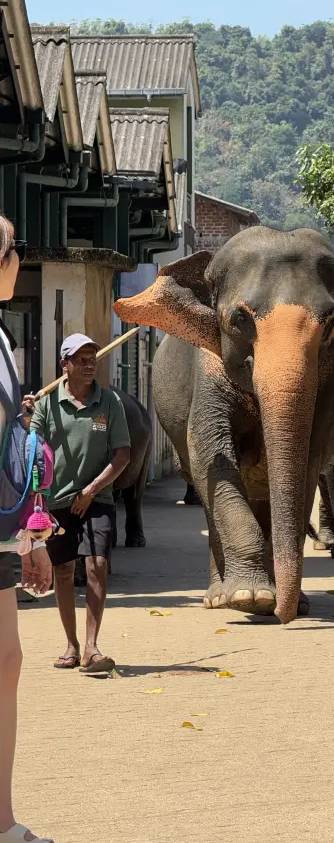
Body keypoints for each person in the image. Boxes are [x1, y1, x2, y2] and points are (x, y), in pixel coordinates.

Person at [23, 335, 131, 675]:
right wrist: (26, 416)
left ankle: (91, 647)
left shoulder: (109, 402)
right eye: (81, 359)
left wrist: (93, 489)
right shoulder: (46, 404)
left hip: (96, 497)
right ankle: (71, 644)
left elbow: (123, 454)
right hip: (56, 501)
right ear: (64, 365)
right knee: (64, 571)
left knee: (98, 564)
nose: (89, 364)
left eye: (92, 358)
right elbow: (33, 444)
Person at [0, 215, 56, 843]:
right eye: (16, 252)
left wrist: (33, 538)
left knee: (7, 662)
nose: (19, 262)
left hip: (4, 524)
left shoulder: (5, 341)